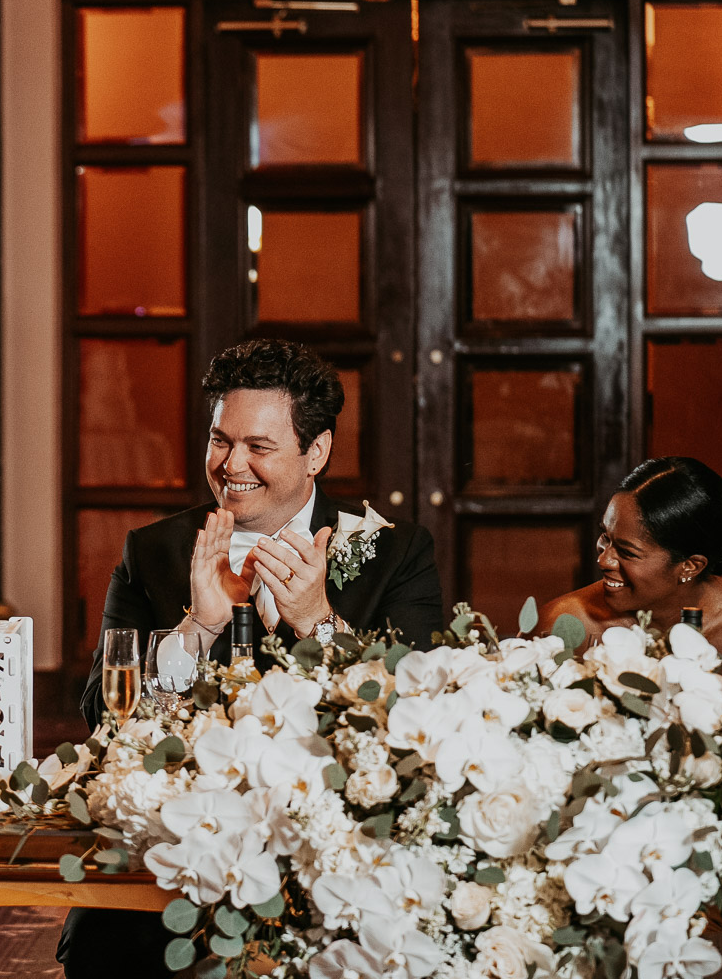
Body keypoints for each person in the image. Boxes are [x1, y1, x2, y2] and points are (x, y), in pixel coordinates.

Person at [58, 339, 443, 979]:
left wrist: (318, 621)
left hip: (333, 869)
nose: (230, 464)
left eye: (258, 447)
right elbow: (105, 713)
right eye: (220, 441)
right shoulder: (152, 552)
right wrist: (199, 624)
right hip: (168, 873)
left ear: (315, 451)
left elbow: (417, 715)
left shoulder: (395, 555)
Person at [538, 457, 722, 672]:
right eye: (606, 538)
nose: (603, 559)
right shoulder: (568, 625)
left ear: (690, 566)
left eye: (627, 552)